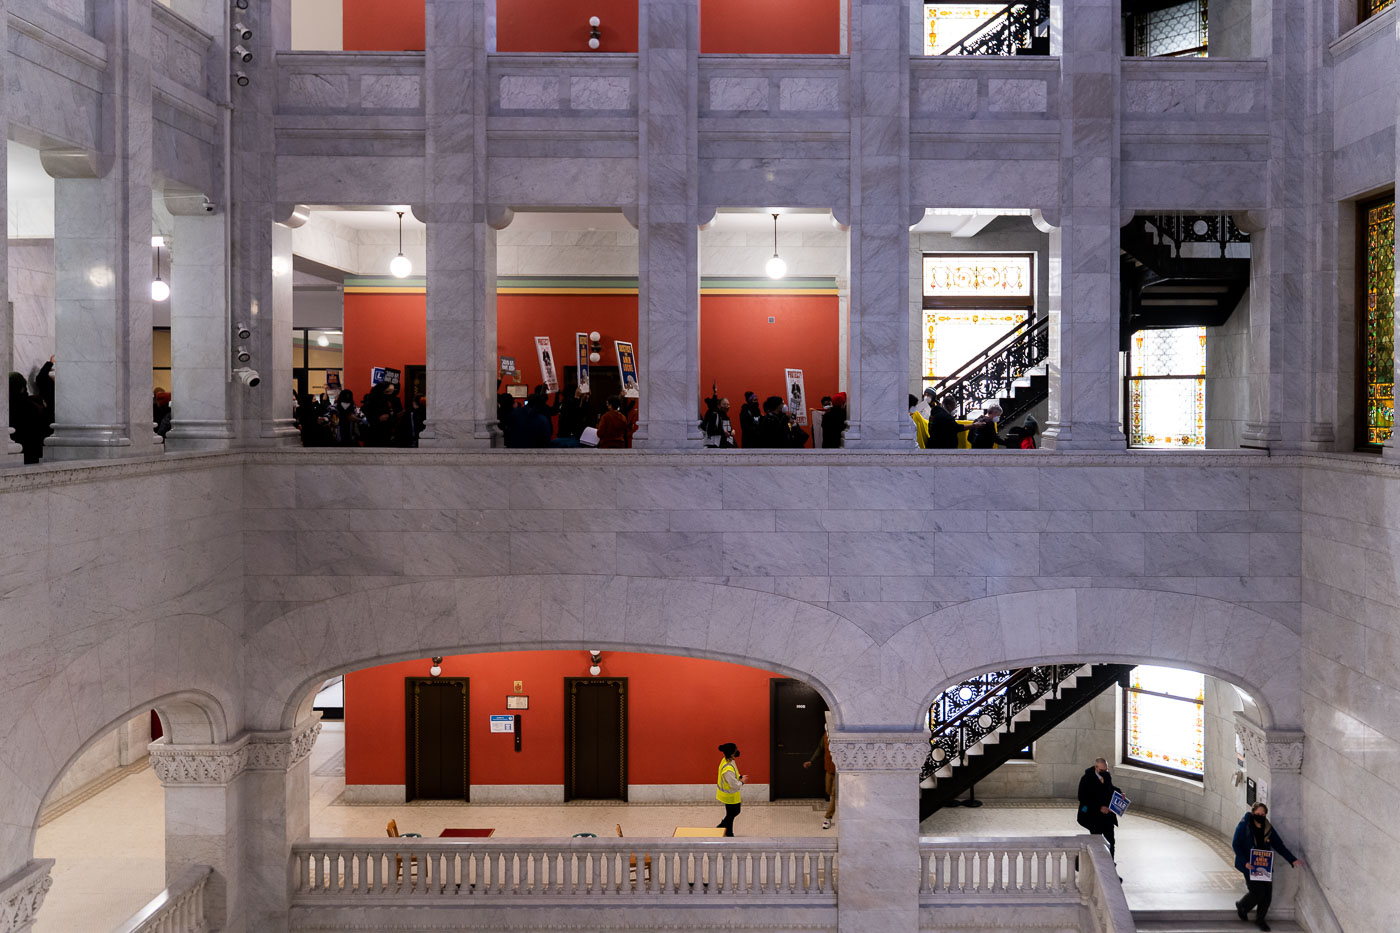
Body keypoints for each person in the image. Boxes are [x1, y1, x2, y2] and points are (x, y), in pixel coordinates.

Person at [1233, 803, 1301, 931]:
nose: (1260, 816)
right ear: (1253, 813)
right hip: (1249, 864)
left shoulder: (1268, 828)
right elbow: (1236, 844)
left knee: (1267, 894)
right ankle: (1242, 905)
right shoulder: (1244, 825)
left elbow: (1279, 845)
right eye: (1258, 814)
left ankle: (1260, 920)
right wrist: (1246, 862)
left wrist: (1292, 860)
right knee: (1258, 891)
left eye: (1263, 814)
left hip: (1264, 864)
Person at [1076, 757, 1119, 860]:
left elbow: (1111, 788)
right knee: (1097, 842)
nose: (1104, 773)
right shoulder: (1086, 779)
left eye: (1106, 770)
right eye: (1102, 770)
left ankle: (1110, 867)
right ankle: (1081, 863)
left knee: (1111, 842)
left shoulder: (1106, 775)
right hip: (1093, 817)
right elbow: (1082, 797)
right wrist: (1099, 807)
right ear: (1096, 767)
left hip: (1107, 817)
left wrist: (1120, 793)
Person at [7, 371, 46, 464]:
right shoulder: (32, 406)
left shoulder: (5, 406)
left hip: (12, 454)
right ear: (22, 388)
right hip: (32, 452)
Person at [802, 728, 836, 829]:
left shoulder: (838, 735)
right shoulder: (825, 735)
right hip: (829, 769)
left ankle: (828, 818)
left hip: (838, 771)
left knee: (834, 794)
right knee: (828, 791)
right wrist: (811, 761)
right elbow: (820, 749)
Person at [715, 742, 746, 837]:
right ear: (732, 753)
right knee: (734, 812)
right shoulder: (727, 768)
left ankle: (729, 833)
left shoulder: (728, 760)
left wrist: (739, 776)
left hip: (731, 794)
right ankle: (721, 827)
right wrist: (742, 781)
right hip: (730, 795)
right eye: (736, 750)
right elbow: (733, 784)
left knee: (731, 814)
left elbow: (734, 774)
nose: (737, 751)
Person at [363, 381, 403, 447]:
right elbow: (364, 420)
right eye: (388, 391)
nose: (390, 394)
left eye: (392, 391)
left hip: (387, 436)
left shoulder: (389, 402)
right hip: (374, 436)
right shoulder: (370, 404)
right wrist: (378, 419)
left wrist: (394, 415)